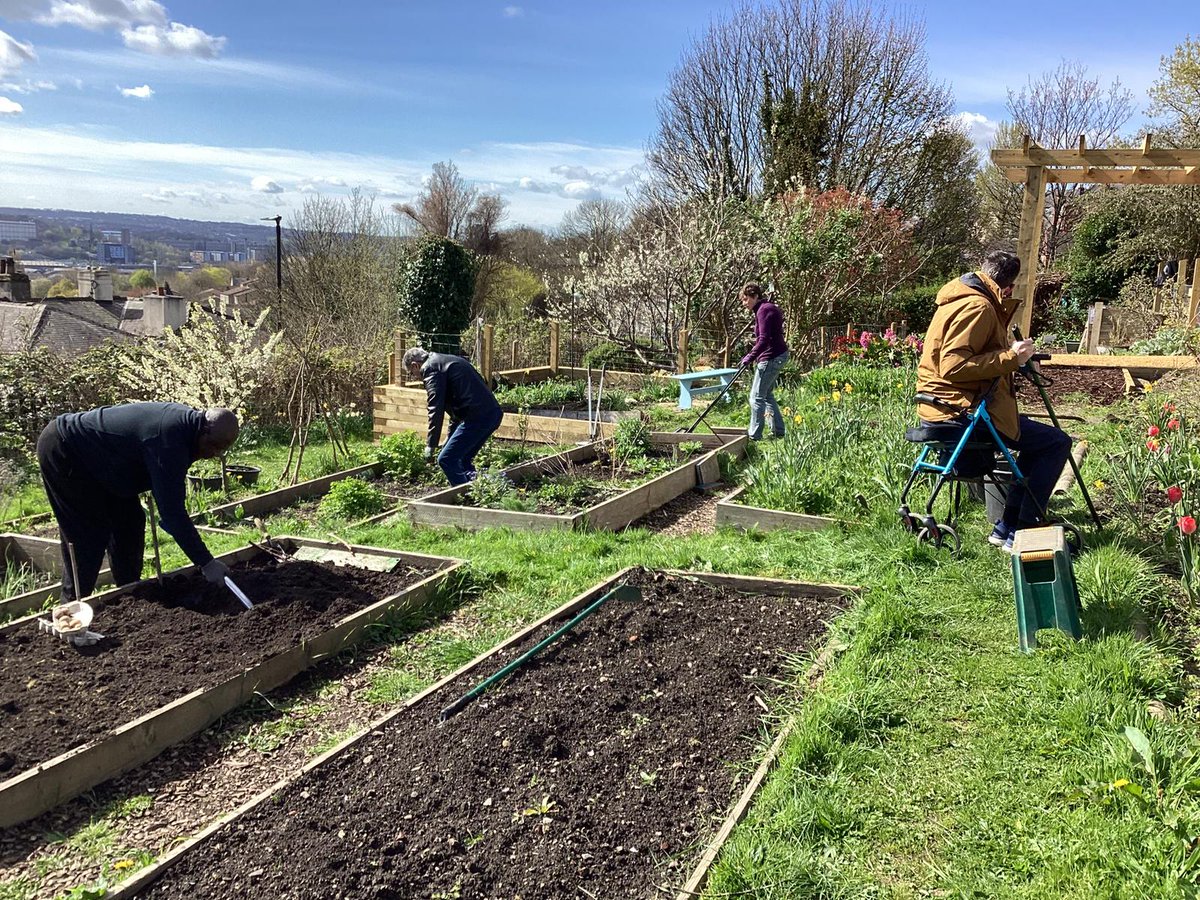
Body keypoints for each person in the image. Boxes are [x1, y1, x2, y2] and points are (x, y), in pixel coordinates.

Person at [916, 250, 1072, 552]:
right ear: (1009, 287)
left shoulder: (957, 299)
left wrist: (1012, 358)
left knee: (1033, 442)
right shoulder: (980, 307)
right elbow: (954, 366)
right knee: (1055, 442)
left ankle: (1007, 527)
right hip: (961, 413)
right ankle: (1023, 527)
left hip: (942, 406)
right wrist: (1013, 356)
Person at [36, 403, 240, 601]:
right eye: (214, 447)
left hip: (107, 463)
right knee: (88, 535)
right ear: (204, 430)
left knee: (129, 523)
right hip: (66, 450)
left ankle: (128, 594)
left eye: (221, 450)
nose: (215, 454)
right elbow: (172, 514)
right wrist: (206, 562)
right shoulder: (169, 439)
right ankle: (72, 609)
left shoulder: (190, 433)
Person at [403, 347, 504, 486]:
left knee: (446, 459)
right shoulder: (443, 361)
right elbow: (455, 409)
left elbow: (435, 408)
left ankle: (463, 496)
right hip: (492, 414)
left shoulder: (431, 369)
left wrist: (431, 445)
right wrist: (449, 437)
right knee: (462, 459)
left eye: (412, 373)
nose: (415, 377)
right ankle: (476, 491)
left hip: (477, 417)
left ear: (415, 365)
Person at [739, 283, 790, 441]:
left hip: (772, 356)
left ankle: (754, 436)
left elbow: (764, 339)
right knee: (766, 395)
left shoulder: (764, 310)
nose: (744, 303)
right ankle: (778, 430)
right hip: (777, 354)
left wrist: (750, 356)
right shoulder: (765, 308)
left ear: (755, 296)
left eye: (746, 299)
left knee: (756, 397)